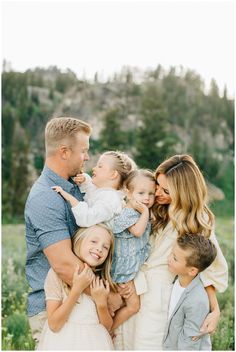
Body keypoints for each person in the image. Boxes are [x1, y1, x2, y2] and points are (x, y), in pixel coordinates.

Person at [114, 154, 228, 350]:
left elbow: (208, 269)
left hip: (159, 297)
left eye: (166, 190)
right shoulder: (152, 205)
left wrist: (215, 310)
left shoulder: (198, 220)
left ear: (183, 192)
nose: (157, 193)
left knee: (146, 344)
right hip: (131, 287)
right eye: (157, 184)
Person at [25, 117, 93, 345]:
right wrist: (110, 297)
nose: (88, 157)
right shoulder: (45, 197)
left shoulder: (76, 186)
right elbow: (65, 266)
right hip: (53, 309)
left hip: (81, 302)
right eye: (84, 151)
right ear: (64, 152)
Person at [37, 224, 115, 350]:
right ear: (79, 241)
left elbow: (107, 327)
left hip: (95, 344)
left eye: (105, 247)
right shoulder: (57, 275)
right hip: (63, 343)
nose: (99, 248)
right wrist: (77, 289)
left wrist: (101, 304)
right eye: (94, 241)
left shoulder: (101, 281)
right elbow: (54, 325)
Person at [111, 169, 156, 331]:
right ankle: (108, 329)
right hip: (123, 270)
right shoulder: (127, 214)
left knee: (127, 304)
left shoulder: (139, 212)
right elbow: (137, 231)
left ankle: (109, 329)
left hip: (131, 268)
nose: (147, 198)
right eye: (141, 193)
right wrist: (145, 212)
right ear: (128, 193)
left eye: (151, 194)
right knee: (131, 305)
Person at [52, 150, 136, 229]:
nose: (93, 168)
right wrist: (85, 180)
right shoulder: (104, 192)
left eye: (100, 166)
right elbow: (92, 191)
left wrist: (70, 198)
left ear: (113, 174)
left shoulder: (111, 199)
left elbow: (87, 218)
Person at [163, 233, 217, 350]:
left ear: (192, 270)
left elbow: (189, 344)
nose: (168, 259)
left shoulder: (197, 301)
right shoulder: (176, 279)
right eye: (171, 253)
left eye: (175, 258)